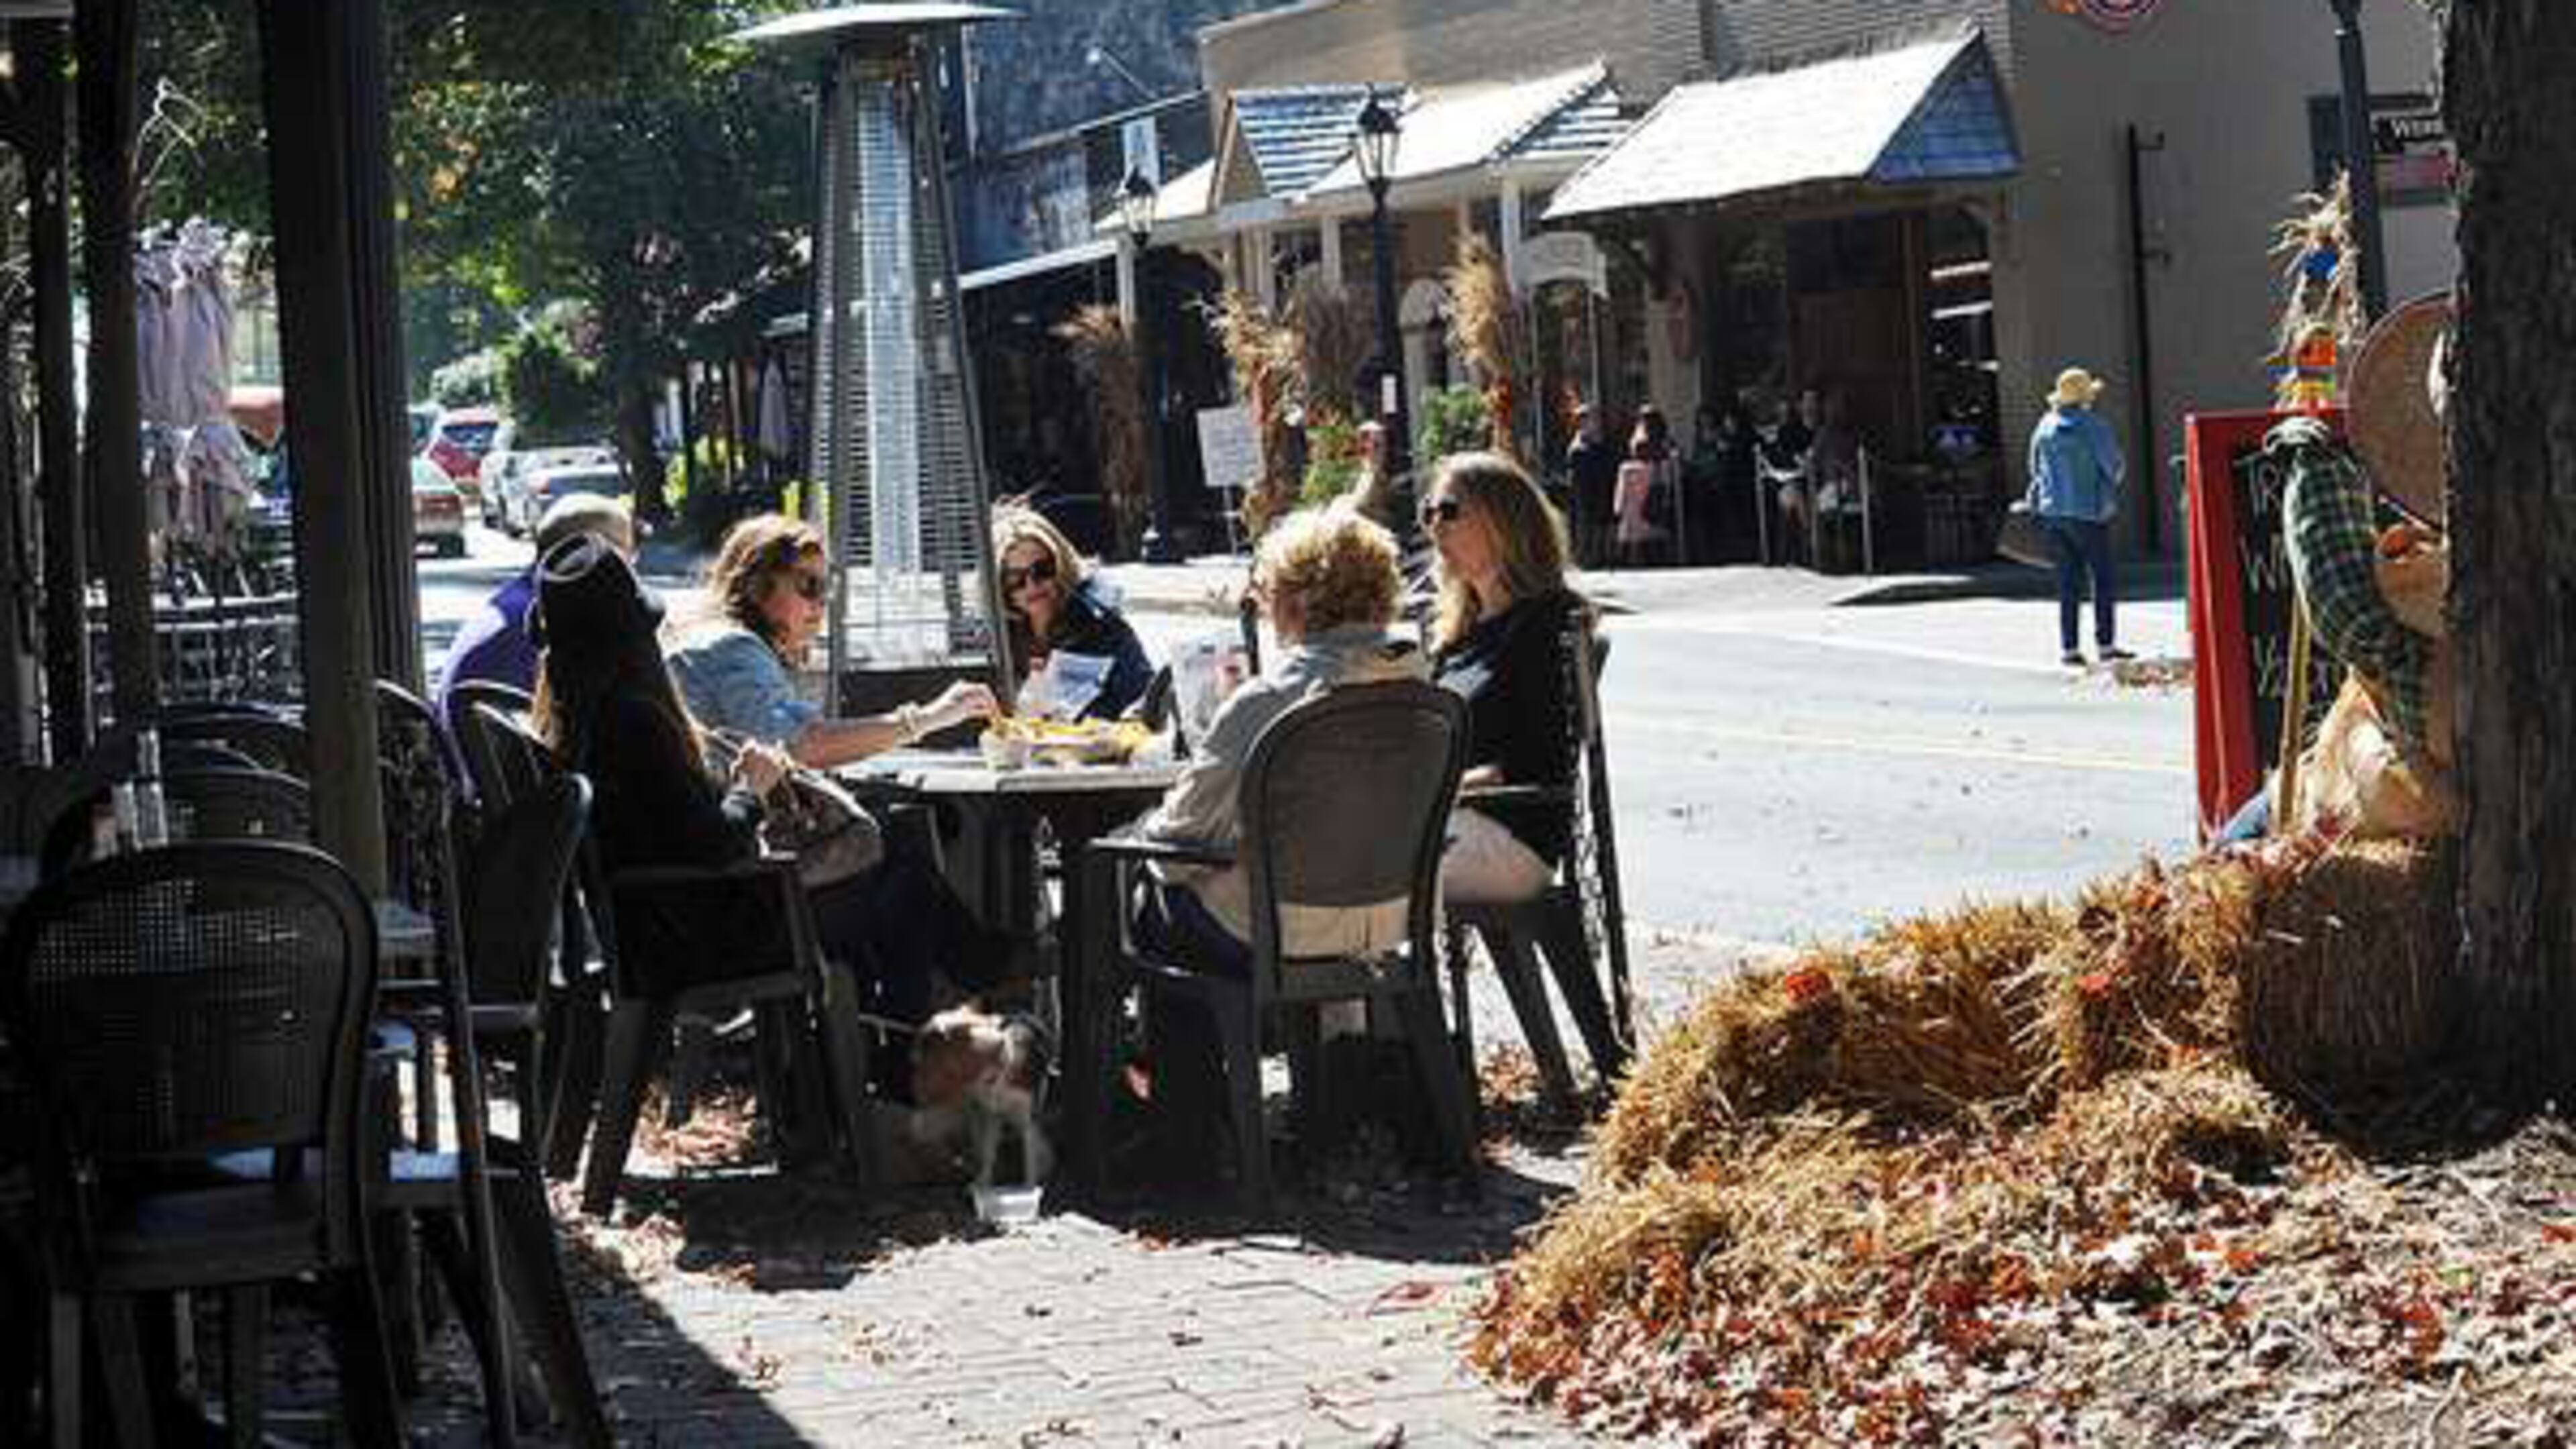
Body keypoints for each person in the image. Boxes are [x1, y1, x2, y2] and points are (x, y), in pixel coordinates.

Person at [531, 535, 1017, 1046]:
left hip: (656, 928)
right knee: (903, 878)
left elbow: (679, 829)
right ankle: (907, 1047)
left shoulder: (569, 718)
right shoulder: (636, 722)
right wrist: (753, 787)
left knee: (896, 866)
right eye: (809, 586)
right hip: (699, 939)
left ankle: (887, 1044)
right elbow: (714, 844)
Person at [1125, 508, 1426, 1171]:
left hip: (1275, 928)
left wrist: (1142, 838)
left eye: (1264, 592)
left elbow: (1182, 834)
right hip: (1390, 922)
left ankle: (1190, 1137)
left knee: (1150, 897)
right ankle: (1321, 1113)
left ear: (1293, 599)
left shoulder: (1268, 699)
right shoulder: (1418, 684)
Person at [666, 513, 996, 766]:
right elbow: (801, 746)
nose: (821, 603)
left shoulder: (723, 640)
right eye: (809, 586)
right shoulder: (733, 648)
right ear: (756, 586)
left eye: (827, 588)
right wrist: (930, 718)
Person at [1421, 451, 1585, 906]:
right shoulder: (1460, 633)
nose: (1435, 527)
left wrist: (1430, 793)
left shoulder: (1546, 619)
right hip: (1455, 823)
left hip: (1511, 838)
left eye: (1449, 511)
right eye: (1428, 513)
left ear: (1501, 520)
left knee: (1354, 865)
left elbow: (1532, 761)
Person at [433, 492, 637, 735]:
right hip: (501, 755)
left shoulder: (519, 600)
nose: (632, 566)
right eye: (627, 552)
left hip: (469, 754)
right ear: (590, 554)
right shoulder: (554, 619)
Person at [991, 502, 1152, 720]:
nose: (1032, 585)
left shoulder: (1103, 628)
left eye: (1043, 570)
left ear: (1061, 566)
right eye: (1015, 578)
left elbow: (1145, 699)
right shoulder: (994, 641)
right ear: (1000, 585)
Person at [2026, 366, 2131, 666]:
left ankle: (2070, 648)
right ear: (2085, 396)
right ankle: (2106, 644)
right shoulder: (2093, 425)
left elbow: (2033, 468)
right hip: (2089, 512)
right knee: (2102, 579)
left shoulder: (2045, 425)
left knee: (2068, 583)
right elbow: (2114, 466)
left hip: (2053, 513)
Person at [1564, 403, 1621, 568]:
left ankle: (1600, 555)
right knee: (1588, 523)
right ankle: (1588, 557)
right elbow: (1577, 472)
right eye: (1591, 419)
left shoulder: (1599, 442)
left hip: (1601, 488)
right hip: (1587, 491)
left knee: (1601, 523)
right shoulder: (1579, 447)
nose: (1596, 423)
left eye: (1596, 419)